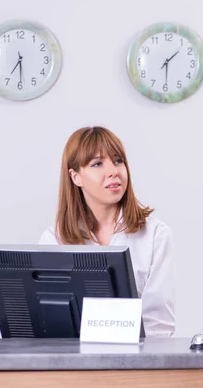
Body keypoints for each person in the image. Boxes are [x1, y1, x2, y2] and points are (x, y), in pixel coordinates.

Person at [40, 126, 176, 337]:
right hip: (73, 364)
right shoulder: (54, 240)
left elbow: (158, 325)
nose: (113, 171)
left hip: (137, 364)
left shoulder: (155, 235)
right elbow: (49, 320)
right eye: (97, 164)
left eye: (118, 160)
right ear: (75, 177)